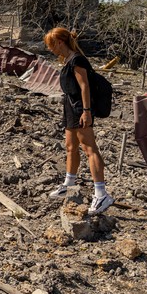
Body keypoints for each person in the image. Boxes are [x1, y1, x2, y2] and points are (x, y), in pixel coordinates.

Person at [44, 27, 114, 215]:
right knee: (70, 146)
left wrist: (86, 111)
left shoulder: (77, 60)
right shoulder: (67, 60)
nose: (50, 49)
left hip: (80, 109)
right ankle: (69, 183)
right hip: (70, 107)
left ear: (59, 42)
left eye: (51, 45)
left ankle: (101, 194)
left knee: (89, 148)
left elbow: (85, 87)